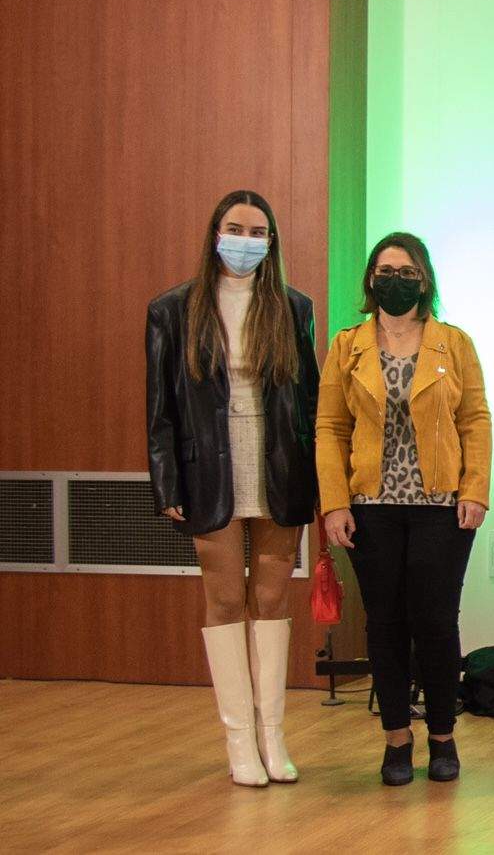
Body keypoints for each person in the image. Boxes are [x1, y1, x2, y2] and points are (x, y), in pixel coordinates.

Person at [145, 189, 320, 787]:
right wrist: (166, 478)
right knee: (224, 598)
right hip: (208, 469)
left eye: (256, 231)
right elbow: (161, 408)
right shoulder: (172, 309)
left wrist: (320, 475)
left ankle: (273, 737)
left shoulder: (294, 307)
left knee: (270, 598)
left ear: (271, 241)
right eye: (234, 228)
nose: (244, 241)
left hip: (277, 465)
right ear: (213, 233)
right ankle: (239, 743)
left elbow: (311, 402)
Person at [315, 232, 491, 786]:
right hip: (370, 507)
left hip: (441, 506)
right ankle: (396, 740)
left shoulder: (453, 343)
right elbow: (329, 428)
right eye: (386, 270)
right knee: (385, 623)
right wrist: (333, 503)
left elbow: (476, 420)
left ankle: (443, 737)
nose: (396, 279)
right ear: (371, 279)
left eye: (407, 271)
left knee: (436, 622)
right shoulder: (347, 346)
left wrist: (476, 490)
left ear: (425, 280)